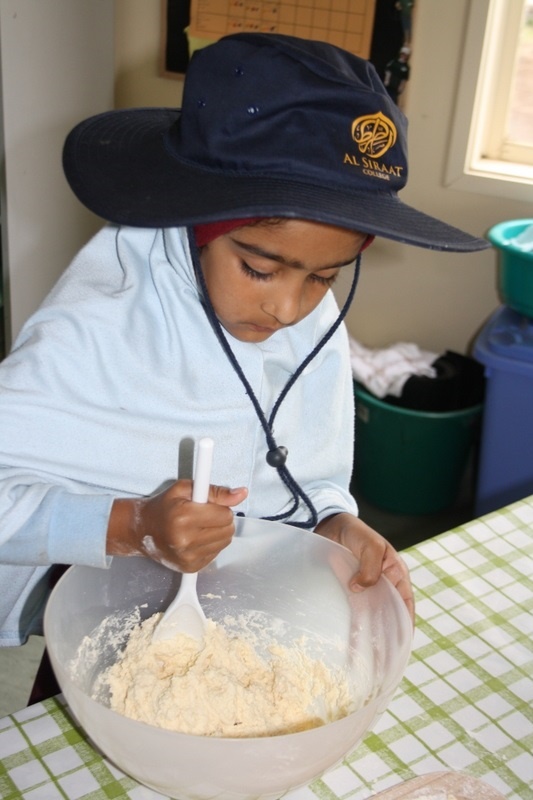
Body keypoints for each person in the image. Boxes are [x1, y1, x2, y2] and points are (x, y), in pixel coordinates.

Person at [0, 33, 489, 664]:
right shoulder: (95, 327)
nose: (289, 310)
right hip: (101, 626)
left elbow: (301, 467)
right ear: (193, 225)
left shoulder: (311, 325)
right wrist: (130, 525)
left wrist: (332, 523)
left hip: (251, 613)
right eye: (260, 269)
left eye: (324, 277)